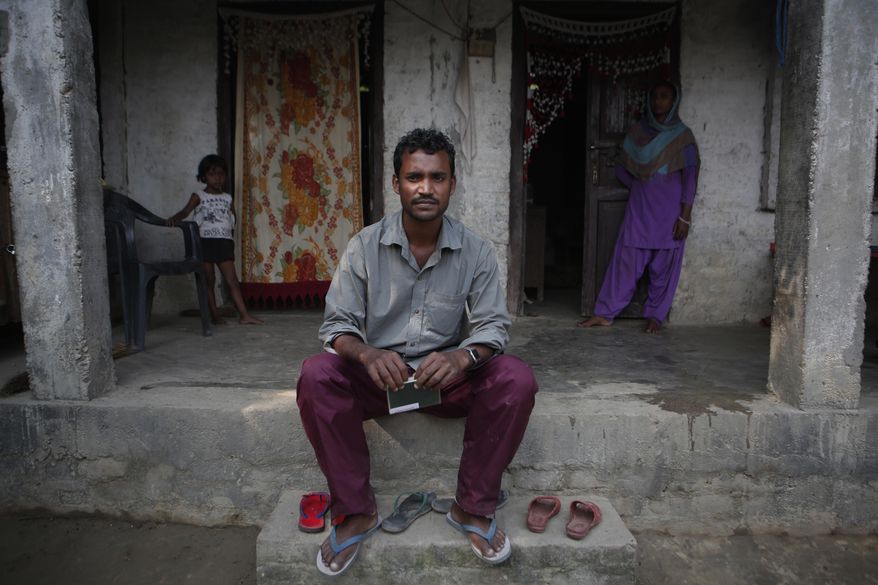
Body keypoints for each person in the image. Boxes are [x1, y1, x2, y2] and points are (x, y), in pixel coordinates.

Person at [296, 128, 538, 576]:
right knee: (316, 374)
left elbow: (492, 327)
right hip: (380, 382)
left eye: (437, 177)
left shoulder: (476, 251)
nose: (425, 188)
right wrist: (367, 355)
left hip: (444, 383)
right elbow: (337, 326)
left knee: (516, 378)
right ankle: (356, 511)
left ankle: (471, 508)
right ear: (397, 184)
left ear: (452, 184)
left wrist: (460, 359)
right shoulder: (364, 247)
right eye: (414, 177)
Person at [578, 81, 699, 333]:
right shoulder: (637, 134)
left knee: (664, 265)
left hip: (670, 213)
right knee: (626, 261)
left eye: (664, 97)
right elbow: (622, 168)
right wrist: (642, 185)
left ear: (674, 101)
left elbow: (690, 178)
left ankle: (655, 316)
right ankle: (604, 313)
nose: (658, 102)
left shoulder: (683, 137)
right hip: (640, 208)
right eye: (654, 96)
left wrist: (684, 217)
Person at [167, 154, 263, 325]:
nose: (217, 178)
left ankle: (244, 315)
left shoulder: (227, 198)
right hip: (205, 242)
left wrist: (229, 236)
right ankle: (215, 316)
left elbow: (232, 218)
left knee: (232, 280)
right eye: (212, 174)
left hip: (223, 242)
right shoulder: (199, 196)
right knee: (209, 280)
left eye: (221, 174)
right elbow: (185, 212)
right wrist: (175, 218)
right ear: (204, 176)